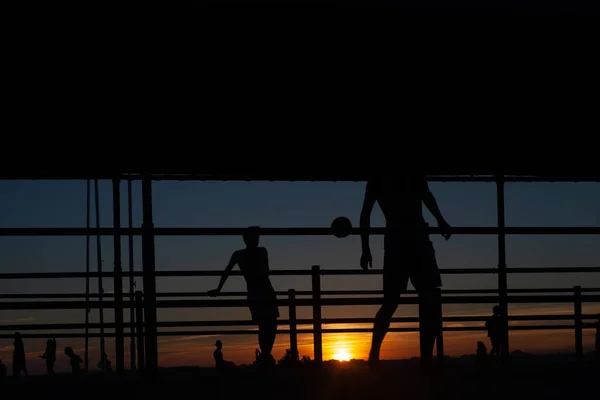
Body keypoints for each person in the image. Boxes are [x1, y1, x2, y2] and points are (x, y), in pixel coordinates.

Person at [359, 174, 452, 368]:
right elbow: (426, 196)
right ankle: (424, 360)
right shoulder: (411, 174)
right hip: (416, 238)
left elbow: (366, 213)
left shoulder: (378, 179)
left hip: (397, 240)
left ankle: (375, 355)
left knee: (393, 302)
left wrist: (365, 248)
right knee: (428, 299)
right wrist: (440, 220)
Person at [209, 226, 279, 366]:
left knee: (267, 325)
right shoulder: (260, 252)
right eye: (255, 237)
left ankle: (265, 355)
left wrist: (219, 289)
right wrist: (218, 289)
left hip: (258, 291)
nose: (257, 240)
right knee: (268, 324)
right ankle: (265, 355)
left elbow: (227, 271)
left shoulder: (241, 254)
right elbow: (228, 271)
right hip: (263, 290)